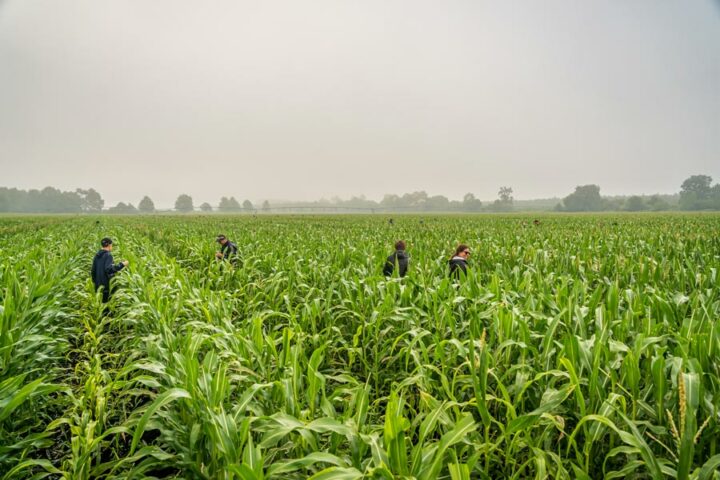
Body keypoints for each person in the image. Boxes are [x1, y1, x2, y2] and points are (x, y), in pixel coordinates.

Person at [91, 237, 129, 304]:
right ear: (109, 245)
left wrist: (95, 283)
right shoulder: (108, 255)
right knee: (107, 305)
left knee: (100, 304)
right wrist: (122, 264)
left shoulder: (97, 255)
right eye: (112, 245)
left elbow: (93, 271)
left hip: (98, 285)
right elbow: (108, 269)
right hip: (106, 285)